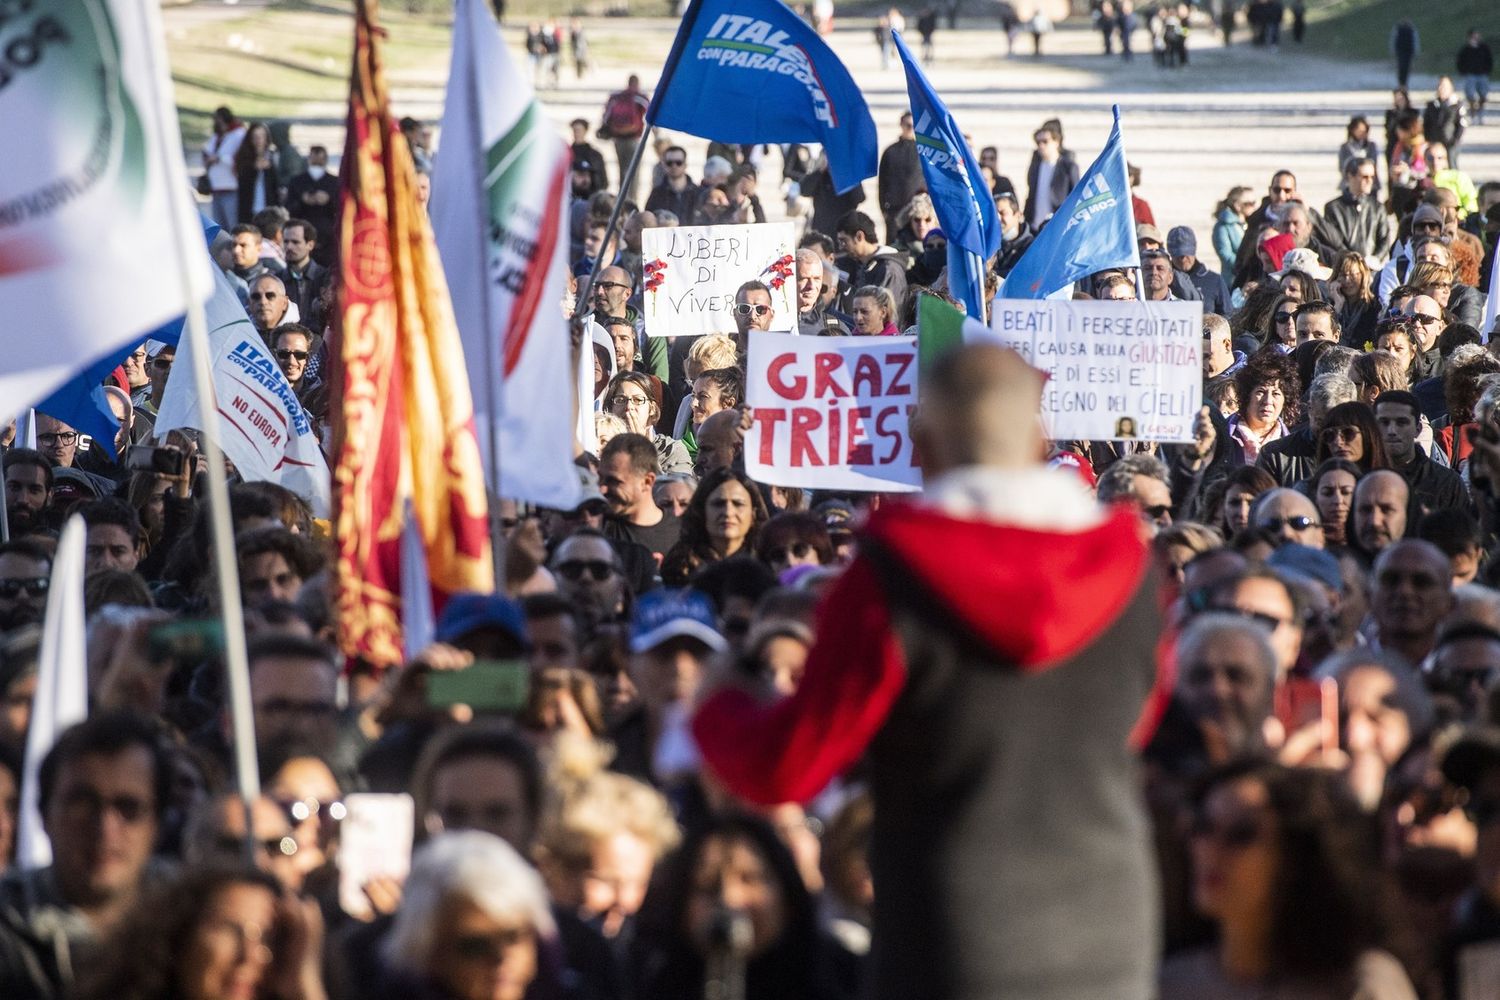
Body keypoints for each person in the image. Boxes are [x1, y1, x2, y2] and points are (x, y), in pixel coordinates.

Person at [693, 343, 1165, 999]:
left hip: (953, 935)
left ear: (920, 442)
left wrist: (717, 703)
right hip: (1110, 927)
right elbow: (1141, 724)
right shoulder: (1130, 570)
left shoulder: (893, 573)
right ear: (1038, 436)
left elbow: (787, 765)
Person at [1160, 760, 1416, 998]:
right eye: (1203, 827)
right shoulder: (1166, 986)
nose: (1210, 850)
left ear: (1293, 858)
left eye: (1242, 834)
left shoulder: (1361, 985)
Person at [0, 712, 169, 998]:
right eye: (82, 805)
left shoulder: (194, 929)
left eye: (128, 808)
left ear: (158, 824)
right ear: (44, 814)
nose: (105, 829)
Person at [599, 433, 681, 565]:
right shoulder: (597, 527)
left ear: (647, 481)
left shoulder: (681, 536)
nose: (602, 489)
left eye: (614, 481)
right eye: (600, 479)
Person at [834, 212, 907, 314]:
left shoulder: (889, 270)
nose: (841, 247)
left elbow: (890, 315)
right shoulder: (861, 265)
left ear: (859, 236)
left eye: (844, 241)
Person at [600, 75, 648, 203]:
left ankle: (622, 199)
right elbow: (649, 116)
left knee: (622, 170)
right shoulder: (640, 97)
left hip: (618, 139)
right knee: (634, 171)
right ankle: (632, 200)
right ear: (637, 83)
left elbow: (605, 117)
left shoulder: (616, 97)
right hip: (634, 139)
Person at [878, 113, 922, 247]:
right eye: (907, 125)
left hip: (917, 211)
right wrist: (884, 209)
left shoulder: (923, 152)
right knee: (894, 246)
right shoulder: (890, 151)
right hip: (894, 211)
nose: (910, 129)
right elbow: (882, 183)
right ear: (901, 125)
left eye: (913, 126)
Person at [1025, 122, 1079, 229]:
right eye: (1038, 142)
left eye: (1045, 141)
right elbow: (1031, 195)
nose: (1041, 145)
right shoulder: (1035, 167)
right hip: (1035, 227)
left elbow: (1076, 197)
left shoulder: (1068, 167)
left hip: (1058, 226)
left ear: (1056, 142)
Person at [1168, 227, 1230, 314]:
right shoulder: (1163, 282)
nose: (1183, 259)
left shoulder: (1214, 281)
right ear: (1170, 253)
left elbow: (1228, 316)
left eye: (1186, 253)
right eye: (1178, 255)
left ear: (1194, 249)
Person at [1212, 186, 1255, 273]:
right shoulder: (1223, 226)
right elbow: (1225, 255)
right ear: (1238, 206)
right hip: (1233, 279)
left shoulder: (1253, 223)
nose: (1254, 207)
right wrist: (1246, 267)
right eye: (1250, 203)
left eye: (1254, 202)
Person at [1457, 29, 1494, 125]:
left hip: (1482, 74)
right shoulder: (1465, 50)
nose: (1475, 39)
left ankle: (1480, 113)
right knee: (1470, 96)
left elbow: (1489, 60)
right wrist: (1463, 71)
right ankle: (1473, 114)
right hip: (1470, 75)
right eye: (1473, 37)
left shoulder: (1484, 48)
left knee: (1483, 95)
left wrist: (1487, 70)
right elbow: (1460, 61)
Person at [1391, 19, 1419, 88]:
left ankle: (1402, 83)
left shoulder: (1399, 29)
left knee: (1403, 68)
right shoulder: (1410, 30)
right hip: (1405, 52)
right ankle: (1402, 83)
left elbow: (1393, 40)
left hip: (1404, 52)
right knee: (1404, 68)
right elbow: (1415, 41)